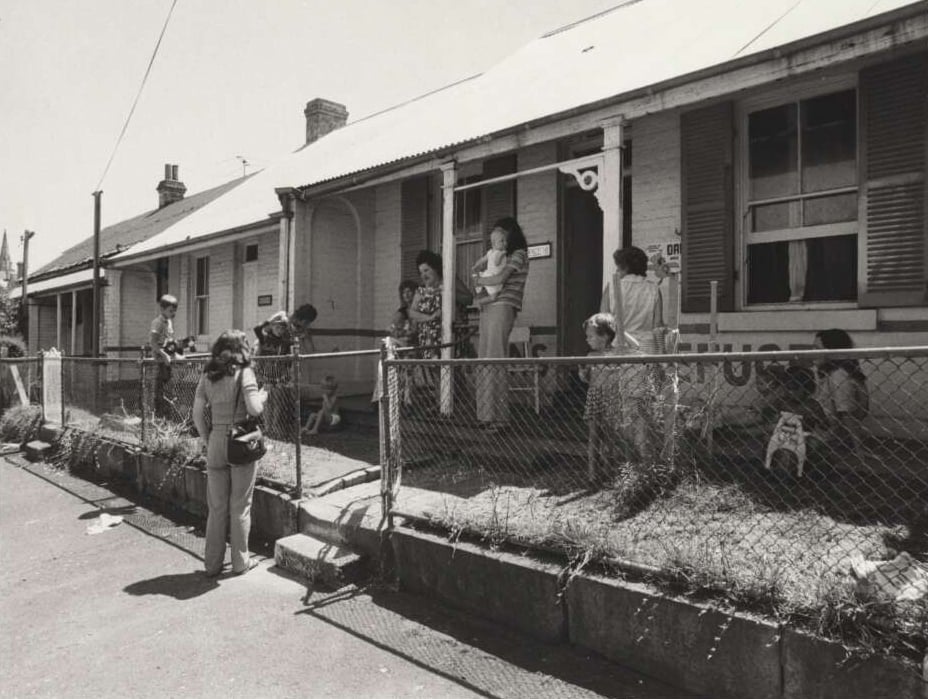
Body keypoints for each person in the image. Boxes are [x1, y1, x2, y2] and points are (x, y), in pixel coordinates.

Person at [192, 330, 268, 577]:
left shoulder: (208, 374)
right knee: (240, 506)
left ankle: (212, 565)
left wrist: (207, 439)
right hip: (240, 443)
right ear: (242, 349)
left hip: (215, 440)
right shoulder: (245, 372)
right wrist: (263, 396)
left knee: (216, 508)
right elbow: (255, 410)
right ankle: (240, 562)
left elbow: (196, 414)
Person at [599, 246, 666, 462]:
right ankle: (644, 454)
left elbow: (603, 323)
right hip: (645, 351)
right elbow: (658, 326)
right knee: (641, 407)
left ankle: (616, 454)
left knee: (613, 405)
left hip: (618, 348)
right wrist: (661, 360)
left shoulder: (614, 286)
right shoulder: (653, 289)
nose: (617, 271)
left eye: (618, 266)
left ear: (624, 266)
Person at [471, 217, 530, 430]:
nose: (498, 240)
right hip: (489, 305)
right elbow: (483, 270)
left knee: (496, 358)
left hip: (503, 306)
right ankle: (486, 414)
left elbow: (499, 279)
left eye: (502, 235)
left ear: (510, 234)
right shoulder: (496, 256)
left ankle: (501, 417)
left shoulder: (519, 254)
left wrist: (478, 281)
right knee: (485, 358)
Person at [580, 313, 621, 481]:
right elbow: (585, 379)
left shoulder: (617, 354)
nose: (587, 340)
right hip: (595, 394)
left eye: (590, 336)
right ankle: (592, 473)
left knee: (611, 436)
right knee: (594, 435)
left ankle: (609, 470)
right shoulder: (591, 356)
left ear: (604, 336)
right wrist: (583, 372)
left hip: (612, 396)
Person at [812, 328, 870, 448]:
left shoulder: (839, 375)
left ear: (832, 352)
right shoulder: (831, 372)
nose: (812, 353)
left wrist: (859, 451)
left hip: (823, 437)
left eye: (817, 348)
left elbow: (847, 413)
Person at [149, 294, 178, 419]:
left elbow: (169, 341)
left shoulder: (169, 322)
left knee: (168, 392)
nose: (173, 313)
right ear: (162, 309)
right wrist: (164, 355)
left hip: (167, 362)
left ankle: (167, 419)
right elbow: (153, 343)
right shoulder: (157, 323)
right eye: (171, 310)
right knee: (158, 392)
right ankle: (157, 418)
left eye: (175, 310)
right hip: (159, 362)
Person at [472, 228, 508, 301]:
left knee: (495, 294)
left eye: (505, 240)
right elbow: (496, 262)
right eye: (502, 241)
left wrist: (476, 265)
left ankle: (479, 284)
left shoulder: (490, 252)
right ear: (494, 243)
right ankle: (481, 302)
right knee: (493, 297)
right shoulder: (499, 253)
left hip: (492, 275)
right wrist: (502, 254)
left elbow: (482, 260)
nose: (505, 243)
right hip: (492, 276)